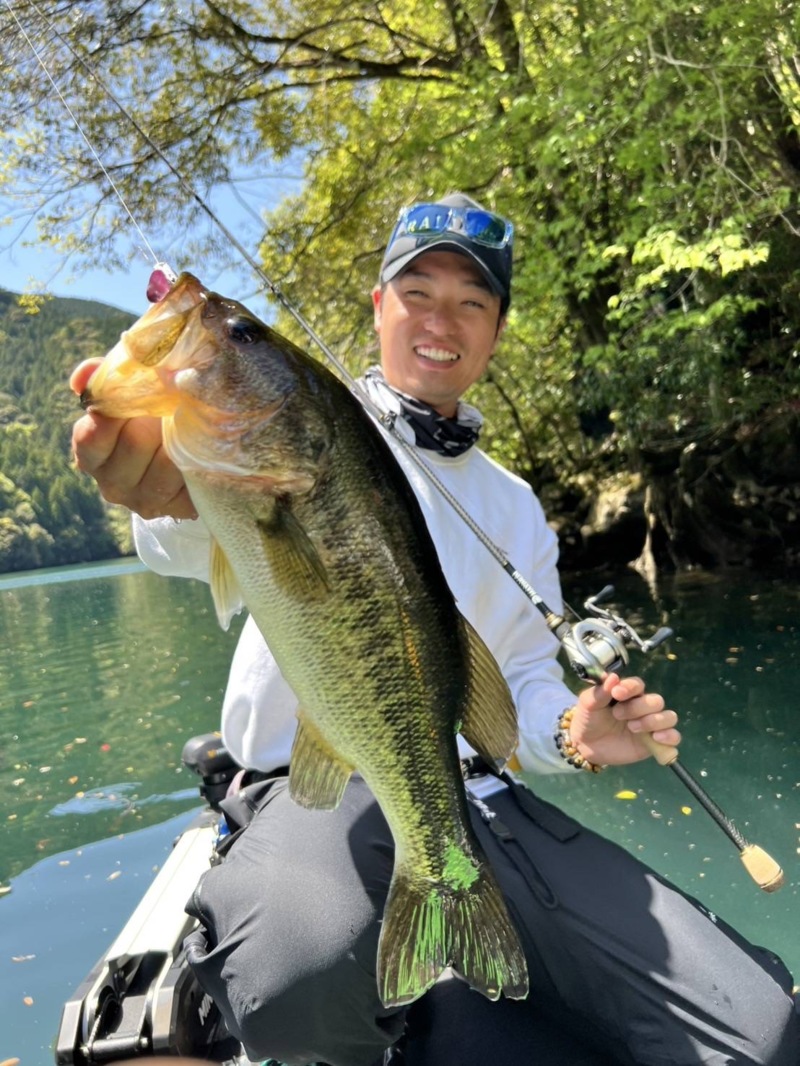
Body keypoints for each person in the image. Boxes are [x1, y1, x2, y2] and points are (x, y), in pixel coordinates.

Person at [70, 193, 799, 1066]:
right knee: (292, 978)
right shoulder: (289, 434)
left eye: (472, 301)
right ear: (378, 306)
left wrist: (575, 731)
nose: (441, 319)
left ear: (494, 331)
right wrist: (160, 481)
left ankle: (450, 962)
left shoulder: (516, 504)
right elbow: (178, 527)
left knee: (764, 1034)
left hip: (470, 794)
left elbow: (523, 681)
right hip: (308, 788)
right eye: (416, 291)